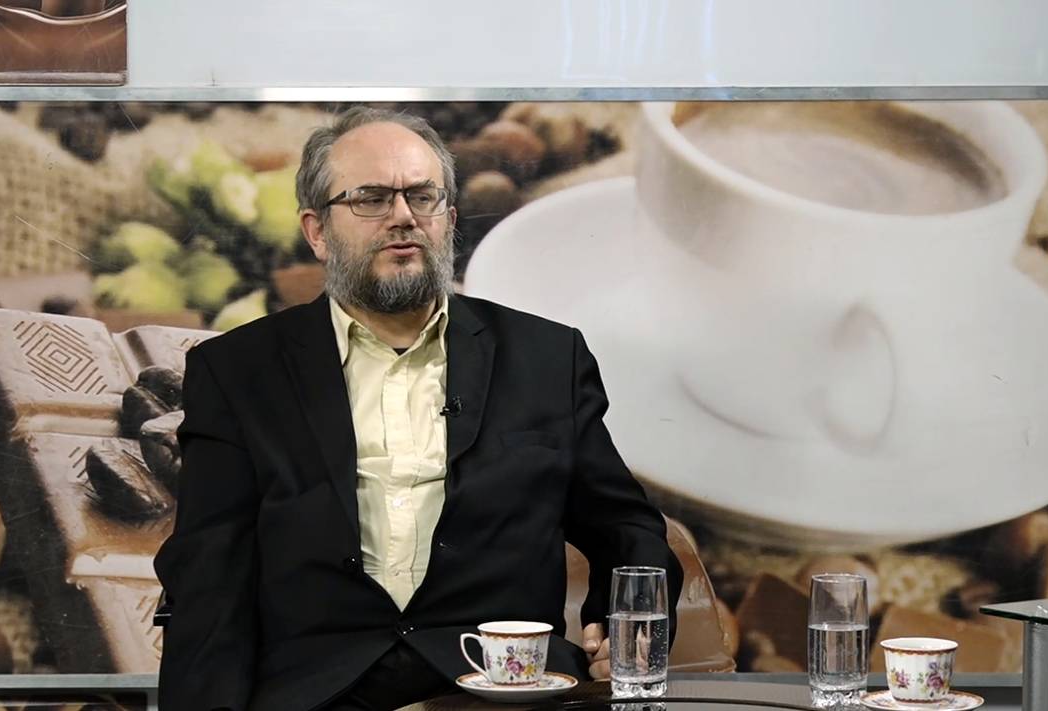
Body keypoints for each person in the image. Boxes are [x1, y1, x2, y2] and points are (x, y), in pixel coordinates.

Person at [153, 106, 683, 711]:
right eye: (372, 199)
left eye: (422, 197)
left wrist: (624, 626)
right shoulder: (238, 371)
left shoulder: (546, 358)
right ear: (317, 232)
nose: (403, 216)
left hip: (502, 687)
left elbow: (627, 528)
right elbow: (210, 570)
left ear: (449, 220)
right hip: (319, 690)